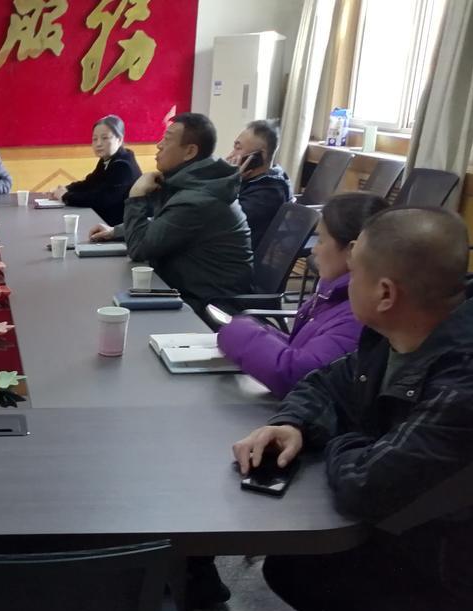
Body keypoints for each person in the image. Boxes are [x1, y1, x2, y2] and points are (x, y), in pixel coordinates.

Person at [232, 207, 473, 611]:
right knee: (294, 568)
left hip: (468, 581)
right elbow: (327, 384)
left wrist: (346, 439)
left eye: (355, 272)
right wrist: (294, 423)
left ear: (385, 292)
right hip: (431, 547)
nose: (342, 282)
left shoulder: (470, 379)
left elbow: (368, 485)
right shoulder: (395, 332)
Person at [217, 192, 389, 399]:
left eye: (321, 240)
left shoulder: (359, 311)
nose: (314, 250)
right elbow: (306, 348)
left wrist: (236, 329)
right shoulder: (333, 293)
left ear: (352, 250)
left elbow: (298, 375)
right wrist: (264, 332)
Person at [89, 113, 253, 315]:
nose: (159, 145)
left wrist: (136, 196)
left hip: (208, 305)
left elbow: (139, 249)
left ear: (190, 151)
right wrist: (115, 231)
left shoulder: (199, 199)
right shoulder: (194, 183)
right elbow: (165, 223)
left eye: (166, 140)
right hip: (185, 289)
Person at [47, 115, 141, 226]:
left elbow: (101, 199)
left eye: (105, 138)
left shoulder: (123, 166)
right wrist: (65, 189)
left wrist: (65, 196)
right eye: (94, 139)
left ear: (119, 140)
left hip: (122, 227)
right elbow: (90, 183)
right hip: (105, 220)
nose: (98, 143)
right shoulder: (108, 159)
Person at [225, 120, 292, 250]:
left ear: (259, 156)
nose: (231, 155)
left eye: (238, 148)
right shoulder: (254, 181)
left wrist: (229, 184)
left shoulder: (268, 194)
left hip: (234, 257)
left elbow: (222, 222)